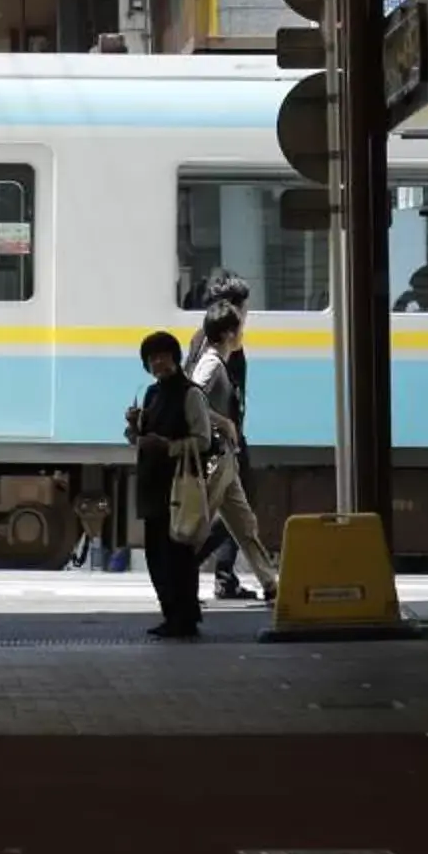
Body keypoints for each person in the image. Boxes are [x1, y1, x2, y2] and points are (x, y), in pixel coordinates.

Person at [189, 300, 280, 600]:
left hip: (226, 458)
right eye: (240, 327)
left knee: (245, 524)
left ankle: (270, 582)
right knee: (200, 523)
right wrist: (224, 423)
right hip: (216, 458)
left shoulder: (218, 360)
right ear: (230, 333)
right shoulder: (212, 362)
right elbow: (192, 399)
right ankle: (178, 575)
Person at [126, 330, 215, 638]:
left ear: (175, 358)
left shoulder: (190, 394)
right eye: (151, 359)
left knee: (177, 553)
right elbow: (139, 441)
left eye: (162, 356)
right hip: (152, 485)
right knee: (156, 554)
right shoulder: (151, 394)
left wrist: (167, 447)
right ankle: (171, 614)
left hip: (178, 486)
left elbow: (203, 441)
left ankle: (185, 618)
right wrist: (132, 427)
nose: (157, 363)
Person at [191, 271, 259, 599]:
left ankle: (223, 574)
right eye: (244, 309)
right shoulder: (214, 345)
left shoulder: (209, 339)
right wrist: (227, 427)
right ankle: (190, 563)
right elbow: (196, 396)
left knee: (236, 506)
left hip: (227, 439)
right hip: (219, 442)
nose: (247, 316)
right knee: (230, 507)